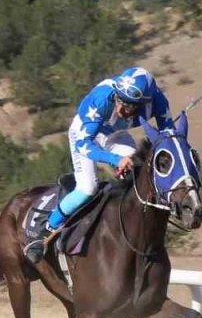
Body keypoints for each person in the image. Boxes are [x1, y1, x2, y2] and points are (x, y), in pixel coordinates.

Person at [24, 66, 176, 263]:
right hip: (86, 135)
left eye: (129, 106)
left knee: (140, 170)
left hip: (116, 135)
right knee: (88, 187)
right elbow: (84, 144)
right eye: (119, 101)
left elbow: (169, 136)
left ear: (145, 102)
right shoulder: (102, 98)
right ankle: (44, 233)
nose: (121, 109)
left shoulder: (159, 102)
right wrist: (115, 160)